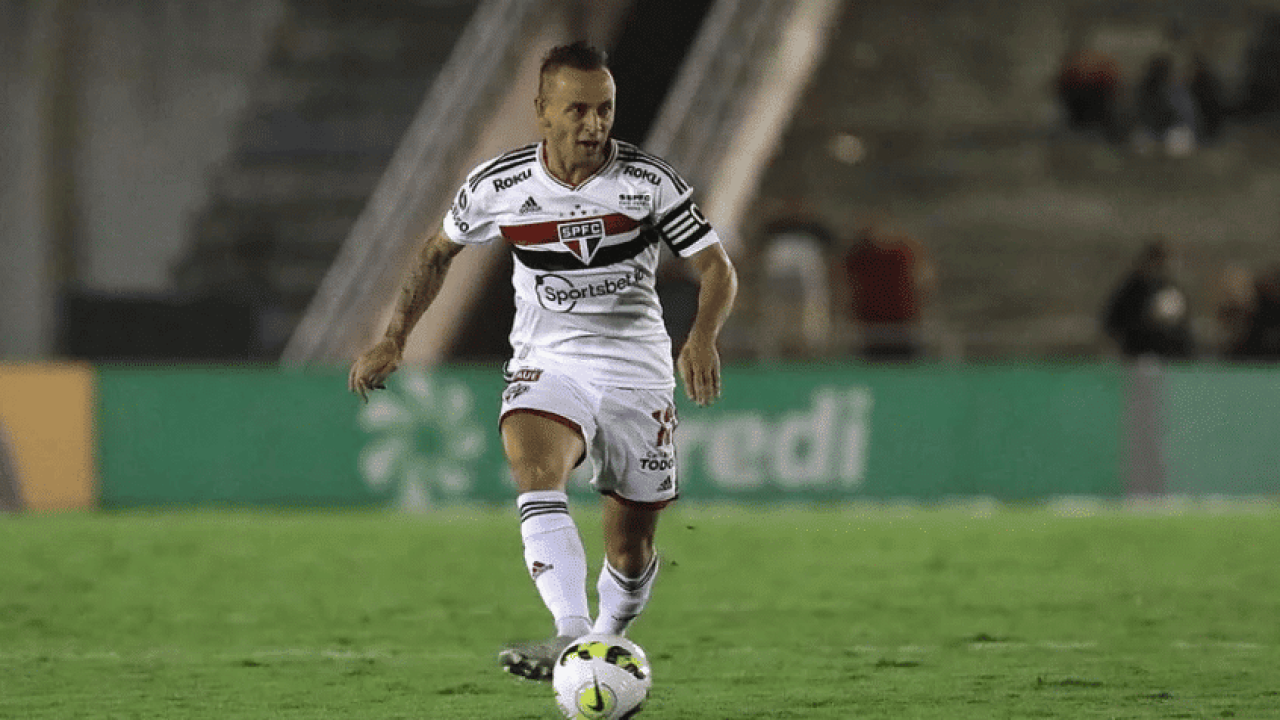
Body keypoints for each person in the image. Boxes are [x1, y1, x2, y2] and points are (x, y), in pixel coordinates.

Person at [347, 42, 738, 681]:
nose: (595, 124)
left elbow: (716, 266)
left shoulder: (648, 182)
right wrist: (396, 337)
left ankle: (606, 639)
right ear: (541, 112)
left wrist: (700, 336)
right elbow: (435, 252)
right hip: (548, 358)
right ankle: (571, 633)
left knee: (631, 547)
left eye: (605, 110)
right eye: (578, 110)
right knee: (535, 466)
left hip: (637, 369)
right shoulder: (497, 185)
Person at [837, 219, 935, 362]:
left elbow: (922, 279)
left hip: (902, 325)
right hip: (870, 326)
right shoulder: (860, 255)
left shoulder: (902, 252)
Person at [1101, 238, 1194, 360]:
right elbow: (1113, 321)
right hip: (1137, 356)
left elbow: (1182, 330)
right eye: (1156, 260)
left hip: (1167, 357)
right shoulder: (1132, 289)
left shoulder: (1169, 289)